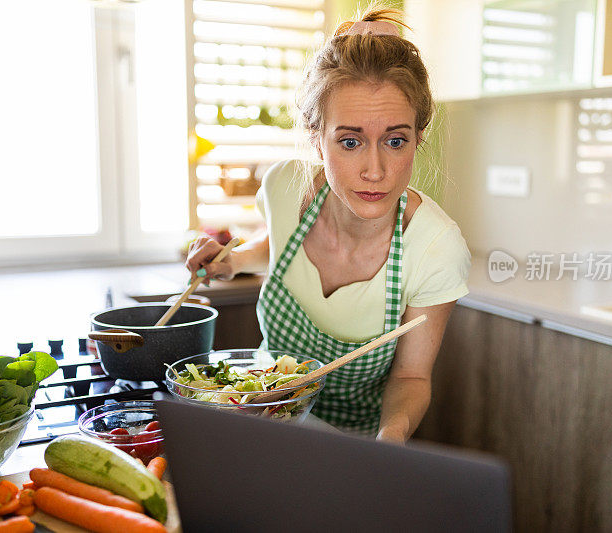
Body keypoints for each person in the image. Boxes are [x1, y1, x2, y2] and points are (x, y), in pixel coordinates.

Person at [186, 7, 471, 442]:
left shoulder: (436, 247)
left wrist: (388, 442)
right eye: (350, 142)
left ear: (418, 136)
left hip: (352, 450)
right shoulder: (285, 187)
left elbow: (412, 378)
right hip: (257, 425)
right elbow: (276, 245)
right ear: (316, 137)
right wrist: (230, 262)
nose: (375, 170)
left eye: (395, 141)